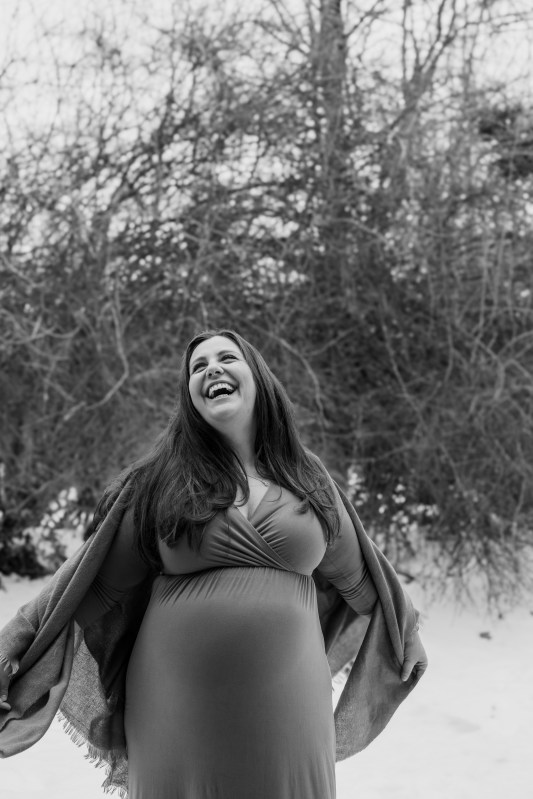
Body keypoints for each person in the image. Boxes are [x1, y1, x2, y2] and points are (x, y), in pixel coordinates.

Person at [0, 328, 427, 799]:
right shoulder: (161, 480)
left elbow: (361, 580)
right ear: (190, 397)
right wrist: (17, 642)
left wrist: (404, 630)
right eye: (198, 367)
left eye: (226, 358)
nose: (212, 369)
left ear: (257, 378)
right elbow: (90, 586)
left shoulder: (307, 476)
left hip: (290, 705)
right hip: (174, 704)